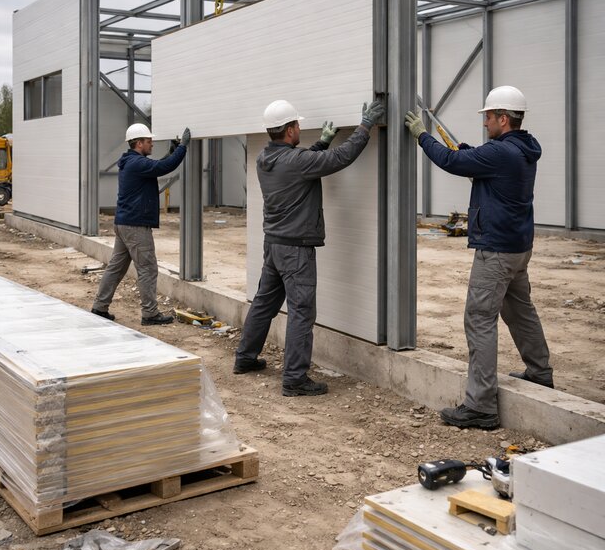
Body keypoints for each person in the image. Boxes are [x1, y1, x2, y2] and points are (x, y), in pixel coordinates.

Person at [404, 86, 554, 430]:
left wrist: (423, 137)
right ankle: (540, 372)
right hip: (518, 247)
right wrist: (467, 152)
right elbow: (477, 160)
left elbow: (452, 162)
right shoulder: (520, 150)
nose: (485, 123)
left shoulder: (501, 153)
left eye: (487, 117)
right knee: (519, 310)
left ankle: (481, 406)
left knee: (479, 318)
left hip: (497, 251)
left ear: (503, 118)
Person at [234, 98, 386, 397]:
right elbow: (340, 158)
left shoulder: (266, 159)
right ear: (290, 130)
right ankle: (294, 379)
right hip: (296, 251)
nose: (300, 128)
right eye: (297, 125)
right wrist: (365, 126)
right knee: (301, 312)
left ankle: (245, 358)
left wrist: (320, 144)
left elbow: (301, 166)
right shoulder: (295, 161)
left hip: (274, 246)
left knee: (264, 304)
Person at [91, 123, 191, 325]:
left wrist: (172, 151)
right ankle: (150, 314)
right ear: (138, 143)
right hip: (135, 226)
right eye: (148, 141)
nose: (151, 143)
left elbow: (156, 167)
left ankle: (100, 307)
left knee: (116, 268)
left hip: (124, 223)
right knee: (148, 269)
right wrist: (182, 148)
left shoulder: (133, 162)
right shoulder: (137, 163)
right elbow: (163, 167)